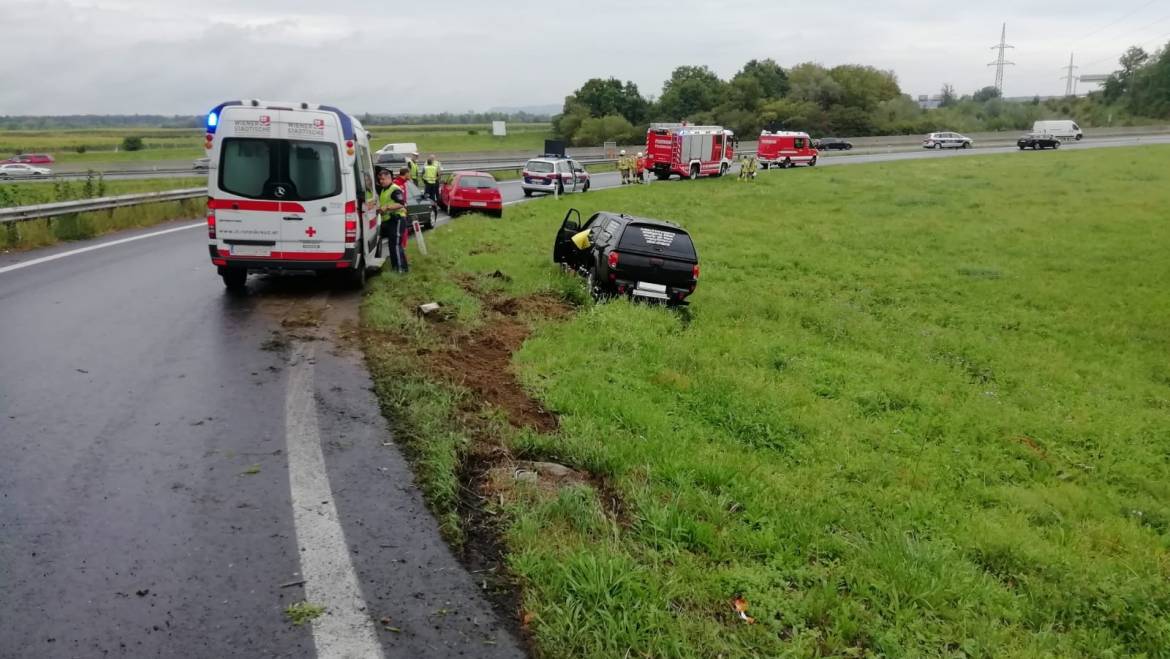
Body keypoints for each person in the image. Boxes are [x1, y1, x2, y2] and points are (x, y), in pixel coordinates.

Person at [377, 167, 408, 273]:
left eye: (383, 179)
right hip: (389, 220)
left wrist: (387, 207)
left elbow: (400, 203)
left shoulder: (395, 189)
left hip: (397, 219)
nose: (381, 181)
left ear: (389, 178)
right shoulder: (384, 190)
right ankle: (397, 267)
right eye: (380, 179)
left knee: (395, 245)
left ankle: (401, 270)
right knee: (392, 245)